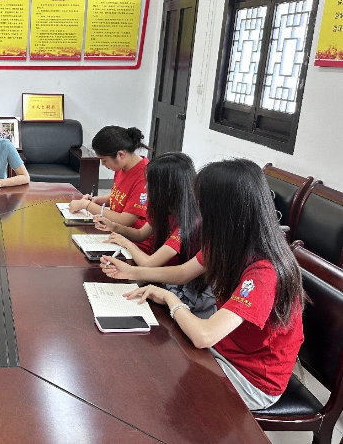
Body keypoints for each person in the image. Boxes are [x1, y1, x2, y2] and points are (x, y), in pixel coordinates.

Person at [103, 159, 305, 410]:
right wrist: (132, 271)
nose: (197, 211)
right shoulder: (228, 243)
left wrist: (170, 299)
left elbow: (203, 336)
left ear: (223, 211)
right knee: (153, 363)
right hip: (224, 349)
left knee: (159, 387)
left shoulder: (264, 272)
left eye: (202, 205)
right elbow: (182, 273)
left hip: (251, 379)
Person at [95, 152, 215, 317]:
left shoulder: (191, 222)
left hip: (185, 292)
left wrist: (126, 243)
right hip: (160, 278)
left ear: (167, 188)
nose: (145, 188)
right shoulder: (161, 207)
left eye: (150, 183)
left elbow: (148, 264)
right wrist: (115, 227)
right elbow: (140, 234)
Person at [68, 125, 151, 252]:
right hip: (114, 232)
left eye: (104, 160)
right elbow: (119, 196)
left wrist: (87, 205)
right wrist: (96, 200)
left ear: (120, 154)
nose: (103, 164)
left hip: (134, 243)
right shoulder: (123, 166)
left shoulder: (144, 176)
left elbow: (124, 221)